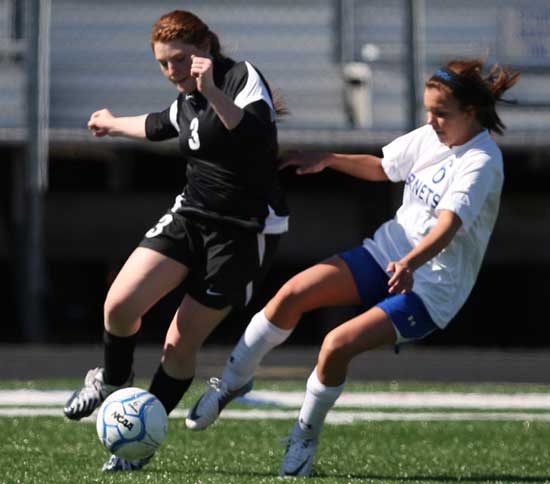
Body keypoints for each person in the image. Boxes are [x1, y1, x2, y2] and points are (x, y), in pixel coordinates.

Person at [184, 58, 520, 477]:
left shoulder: (482, 161)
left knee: (336, 344)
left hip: (431, 287)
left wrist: (412, 262)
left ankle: (304, 439)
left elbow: (449, 225)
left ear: (471, 113)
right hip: (386, 254)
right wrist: (328, 158)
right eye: (428, 110)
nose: (431, 120)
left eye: (440, 113)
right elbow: (384, 167)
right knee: (291, 294)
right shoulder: (434, 135)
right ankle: (232, 381)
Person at [62, 9, 289, 472]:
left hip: (243, 232)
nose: (173, 72)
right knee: (119, 306)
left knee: (178, 344)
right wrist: (110, 122)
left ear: (205, 48)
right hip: (190, 216)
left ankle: (138, 439)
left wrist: (209, 91)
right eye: (164, 64)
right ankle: (111, 379)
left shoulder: (240, 78)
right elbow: (158, 124)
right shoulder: (187, 99)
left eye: (180, 60)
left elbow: (255, 136)